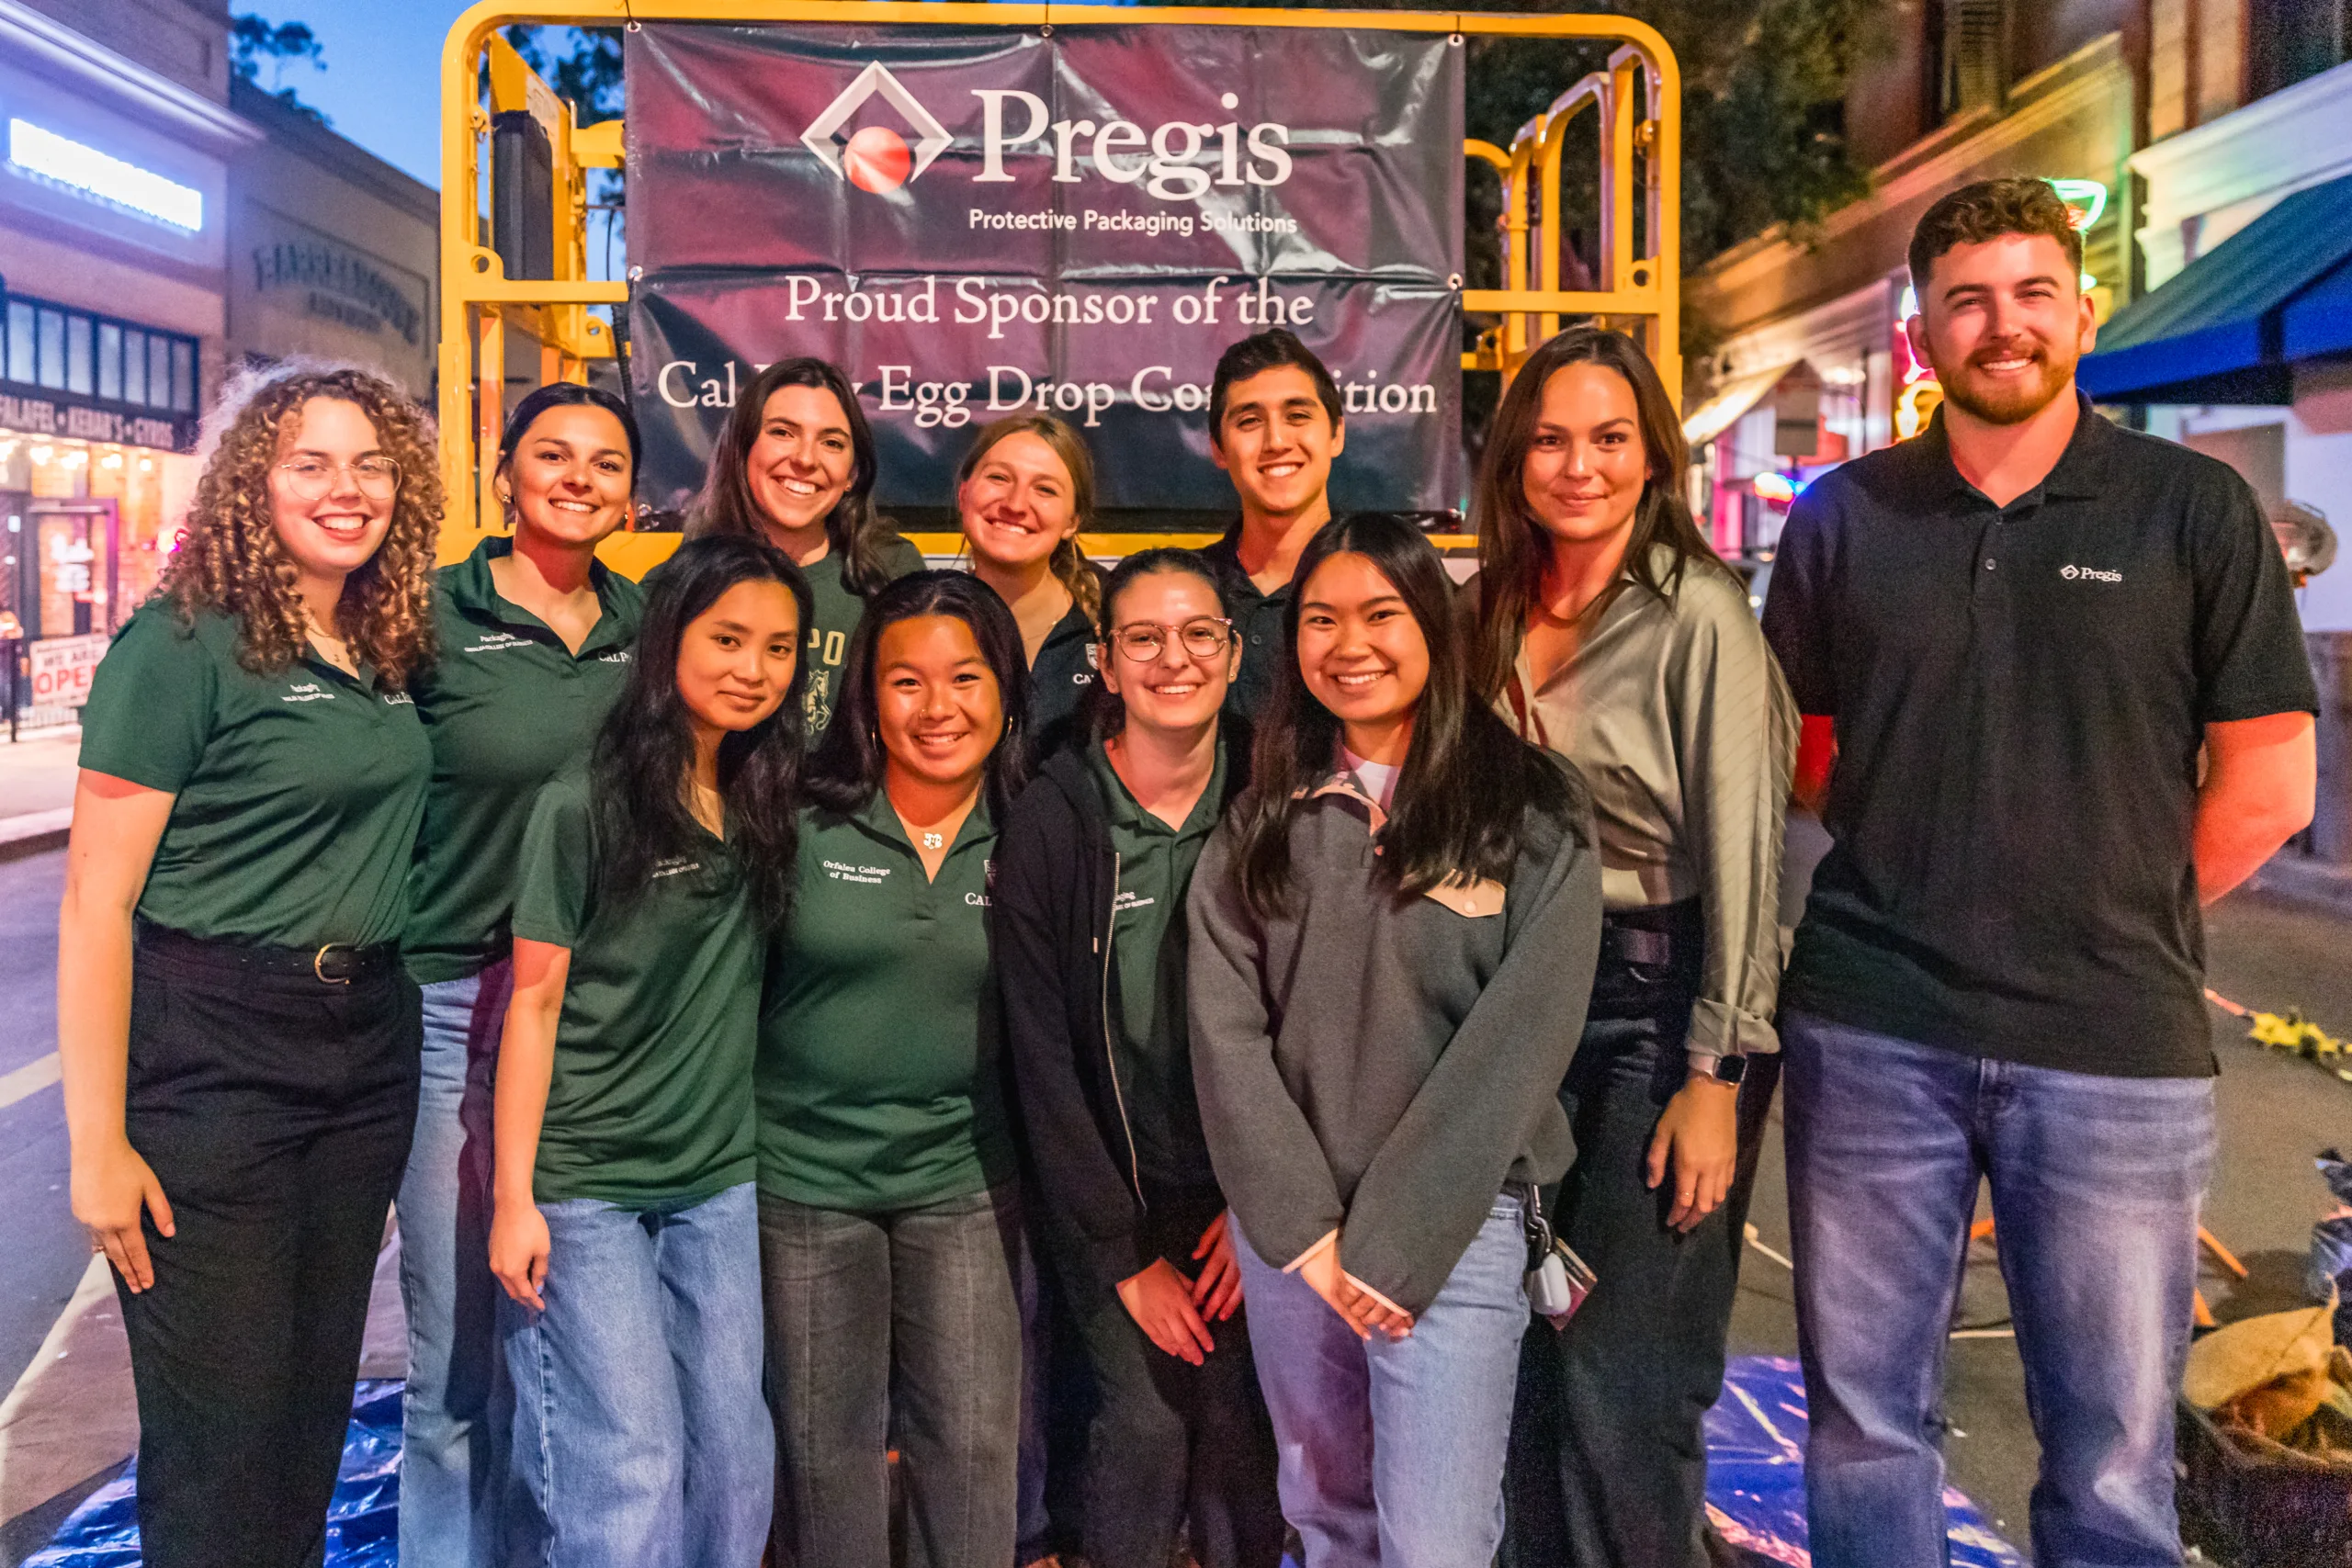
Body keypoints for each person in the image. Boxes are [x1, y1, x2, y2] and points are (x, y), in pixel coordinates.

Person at [1760, 176, 2319, 1568]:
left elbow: (2270, 784)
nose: (1999, 326)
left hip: (2111, 1047)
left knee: (2114, 1452)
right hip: (1873, 1025)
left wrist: (2106, 896)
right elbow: (1806, 753)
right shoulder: (1842, 518)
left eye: (2027, 293)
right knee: (1866, 1424)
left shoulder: (2193, 511)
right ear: (1919, 338)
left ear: (2080, 309)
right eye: (1965, 301)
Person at [58, 362, 441, 1568]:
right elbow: (93, 902)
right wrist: (98, 1145)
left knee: (305, 1426)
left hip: (362, 1045)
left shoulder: (381, 641)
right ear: (248, 482)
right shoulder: (181, 645)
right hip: (213, 1055)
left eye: (369, 463)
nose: (346, 488)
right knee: (218, 1446)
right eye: (309, 462)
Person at [1189, 512, 1603, 1567]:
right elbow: (1225, 1031)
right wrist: (1300, 1231)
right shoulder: (1262, 820)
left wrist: (1400, 1239)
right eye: (1320, 620)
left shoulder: (1530, 809)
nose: (1349, 643)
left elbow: (1524, 1036)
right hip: (1298, 1243)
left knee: (1437, 1541)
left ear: (1434, 623)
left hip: (1453, 1236)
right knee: (1326, 1517)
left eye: (1380, 613)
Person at [1464, 326, 1795, 1568]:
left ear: (1654, 453)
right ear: (1515, 456)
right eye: (1550, 438)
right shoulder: (1490, 603)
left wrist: (1717, 1076)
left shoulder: (1698, 611)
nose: (1579, 465)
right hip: (1519, 997)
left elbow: (1751, 856)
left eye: (1609, 437)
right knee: (1520, 1351)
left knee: (1625, 1369)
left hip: (1663, 1008)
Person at [487, 535, 809, 1567]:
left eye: (776, 648)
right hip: (589, 1186)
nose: (751, 669)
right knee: (631, 1457)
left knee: (735, 1451)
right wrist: (513, 1199)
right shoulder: (581, 807)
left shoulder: (771, 802)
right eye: (726, 639)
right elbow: (529, 1010)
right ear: (667, 639)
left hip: (715, 1179)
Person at [397, 380, 647, 1568]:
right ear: (506, 473)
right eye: (554, 454)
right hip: (458, 1008)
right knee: (455, 1355)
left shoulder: (648, 630)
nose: (579, 477)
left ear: (633, 492)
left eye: (606, 461)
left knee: (551, 1340)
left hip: (594, 1021)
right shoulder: (427, 618)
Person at [998, 548, 1285, 1568]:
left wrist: (1261, 1211)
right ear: (1107, 666)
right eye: (1145, 639)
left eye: (1198, 634)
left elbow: (1315, 1026)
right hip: (1110, 1199)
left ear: (1233, 651)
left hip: (1253, 1198)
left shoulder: (1279, 801)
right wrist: (1122, 1256)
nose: (1175, 658)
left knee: (1244, 1448)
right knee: (1144, 1429)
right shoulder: (1053, 820)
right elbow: (1040, 1060)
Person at [757, 570, 1034, 1568]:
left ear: (1005, 688)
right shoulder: (800, 817)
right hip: (805, 1185)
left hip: (962, 1183)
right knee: (825, 1459)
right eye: (905, 681)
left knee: (970, 1451)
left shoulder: (1038, 830)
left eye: (965, 678)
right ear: (867, 695)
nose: (937, 707)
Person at [689, 356, 924, 732]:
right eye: (783, 432)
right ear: (742, 450)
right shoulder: (684, 580)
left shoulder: (893, 570)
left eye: (831, 442)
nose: (805, 459)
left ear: (853, 473)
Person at [1199, 330, 1346, 720]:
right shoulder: (1185, 593)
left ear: (1336, 434)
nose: (1277, 441)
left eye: (1298, 416)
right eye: (1249, 421)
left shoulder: (1393, 584)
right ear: (1218, 448)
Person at [955, 413, 1102, 759]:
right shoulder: (923, 621)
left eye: (1045, 490)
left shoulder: (1115, 624)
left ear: (1072, 521)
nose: (1016, 504)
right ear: (964, 493)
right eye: (999, 478)